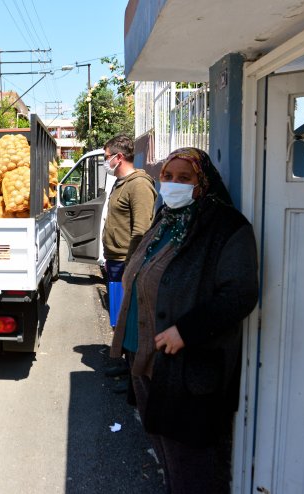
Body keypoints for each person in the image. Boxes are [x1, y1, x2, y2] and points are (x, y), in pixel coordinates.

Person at [110, 147, 259, 493]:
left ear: (202, 183)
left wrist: (187, 331)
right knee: (164, 450)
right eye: (168, 177)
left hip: (185, 366)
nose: (173, 184)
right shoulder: (167, 219)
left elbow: (240, 293)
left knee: (193, 465)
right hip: (145, 357)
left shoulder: (225, 228)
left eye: (184, 178)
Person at [101, 135, 157, 389]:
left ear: (118, 157)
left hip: (128, 262)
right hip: (116, 260)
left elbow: (142, 230)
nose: (106, 162)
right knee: (119, 315)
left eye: (106, 157)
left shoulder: (139, 186)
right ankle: (123, 362)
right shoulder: (120, 183)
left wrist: (133, 267)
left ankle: (134, 374)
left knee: (132, 318)